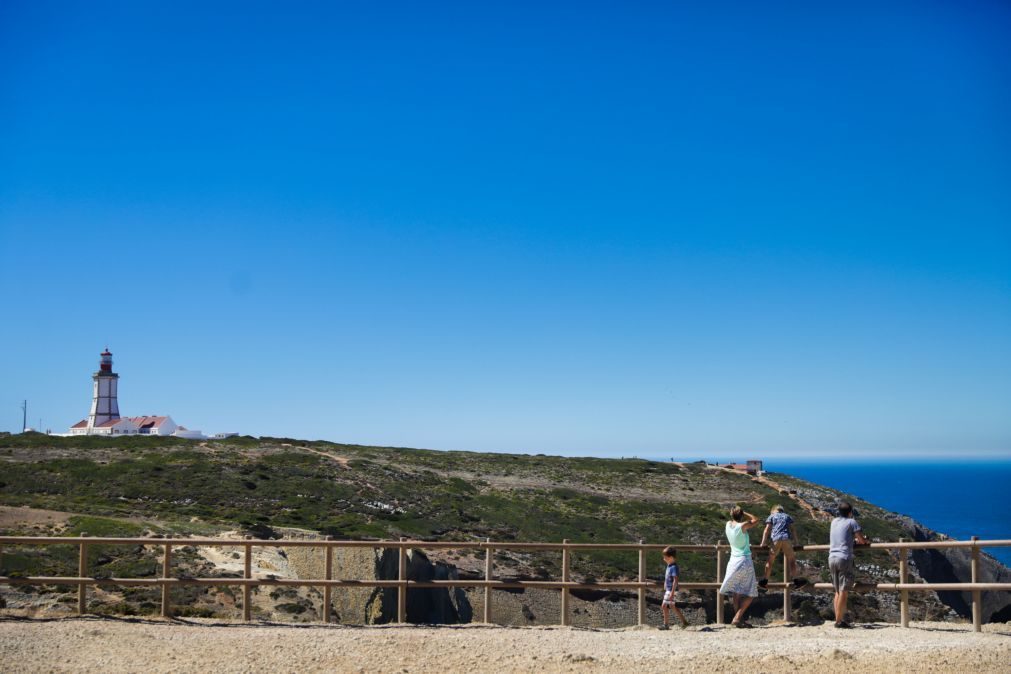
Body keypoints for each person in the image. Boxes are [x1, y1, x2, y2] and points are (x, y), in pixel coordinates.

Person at [828, 501, 869, 628]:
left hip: (832, 557)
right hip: (844, 558)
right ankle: (839, 622)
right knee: (844, 591)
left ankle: (838, 619)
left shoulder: (834, 521)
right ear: (850, 512)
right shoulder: (852, 522)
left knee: (837, 591)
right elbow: (861, 540)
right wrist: (864, 540)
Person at [718, 505, 760, 627]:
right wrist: (746, 512)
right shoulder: (742, 526)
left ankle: (738, 620)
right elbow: (756, 519)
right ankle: (737, 618)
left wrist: (739, 513)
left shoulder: (727, 525)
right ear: (741, 515)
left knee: (736, 592)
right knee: (751, 593)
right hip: (744, 560)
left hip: (733, 561)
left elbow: (734, 520)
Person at [758, 505, 808, 590]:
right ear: (782, 510)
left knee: (770, 561)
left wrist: (763, 543)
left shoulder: (772, 516)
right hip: (786, 539)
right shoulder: (787, 516)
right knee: (792, 560)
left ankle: (764, 581)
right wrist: (796, 543)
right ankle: (796, 581)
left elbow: (767, 530)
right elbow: (793, 530)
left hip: (775, 540)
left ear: (774, 510)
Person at [659, 545, 689, 630]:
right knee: (672, 606)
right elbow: (668, 577)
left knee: (664, 606)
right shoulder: (669, 566)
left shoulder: (674, 567)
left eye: (665, 557)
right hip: (668, 589)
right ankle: (684, 622)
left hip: (671, 590)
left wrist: (672, 592)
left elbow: (675, 580)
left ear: (671, 557)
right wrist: (665, 584)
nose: (664, 559)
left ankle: (666, 625)